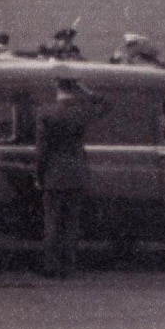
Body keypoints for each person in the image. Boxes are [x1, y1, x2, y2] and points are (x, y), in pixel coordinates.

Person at [33, 74, 103, 278]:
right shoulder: (80, 112)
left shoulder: (47, 113)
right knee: (72, 223)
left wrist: (39, 174)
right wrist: (87, 91)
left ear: (57, 88)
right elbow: (105, 105)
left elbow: (42, 150)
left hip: (53, 173)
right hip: (77, 172)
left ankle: (51, 266)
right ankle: (68, 265)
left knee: (52, 222)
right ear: (74, 90)